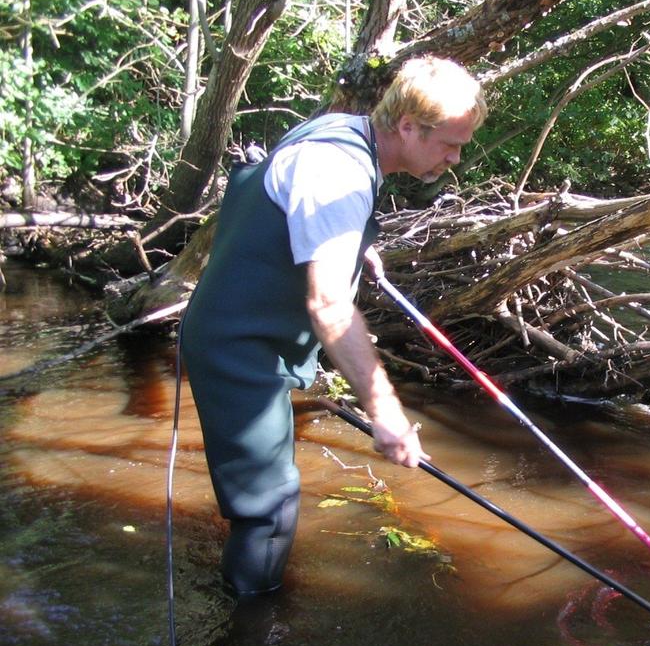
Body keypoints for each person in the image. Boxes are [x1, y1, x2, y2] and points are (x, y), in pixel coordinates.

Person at [181, 56, 487, 595]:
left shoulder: (344, 129)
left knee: (265, 490)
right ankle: (247, 629)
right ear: (408, 126)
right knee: (268, 507)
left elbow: (290, 207)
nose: (455, 158)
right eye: (449, 143)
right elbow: (329, 307)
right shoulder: (338, 169)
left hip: (252, 336)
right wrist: (386, 413)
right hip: (237, 347)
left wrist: (351, 248)